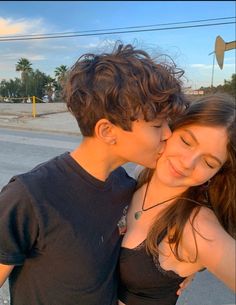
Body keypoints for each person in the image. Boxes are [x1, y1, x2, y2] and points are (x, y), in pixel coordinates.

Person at [0, 43, 186, 305]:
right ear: (107, 131)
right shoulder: (29, 196)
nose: (168, 134)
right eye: (157, 125)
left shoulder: (126, 187)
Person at [118, 93, 236, 305]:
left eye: (208, 163)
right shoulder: (142, 173)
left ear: (217, 174)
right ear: (171, 128)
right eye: (186, 141)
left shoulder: (197, 226)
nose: (187, 163)